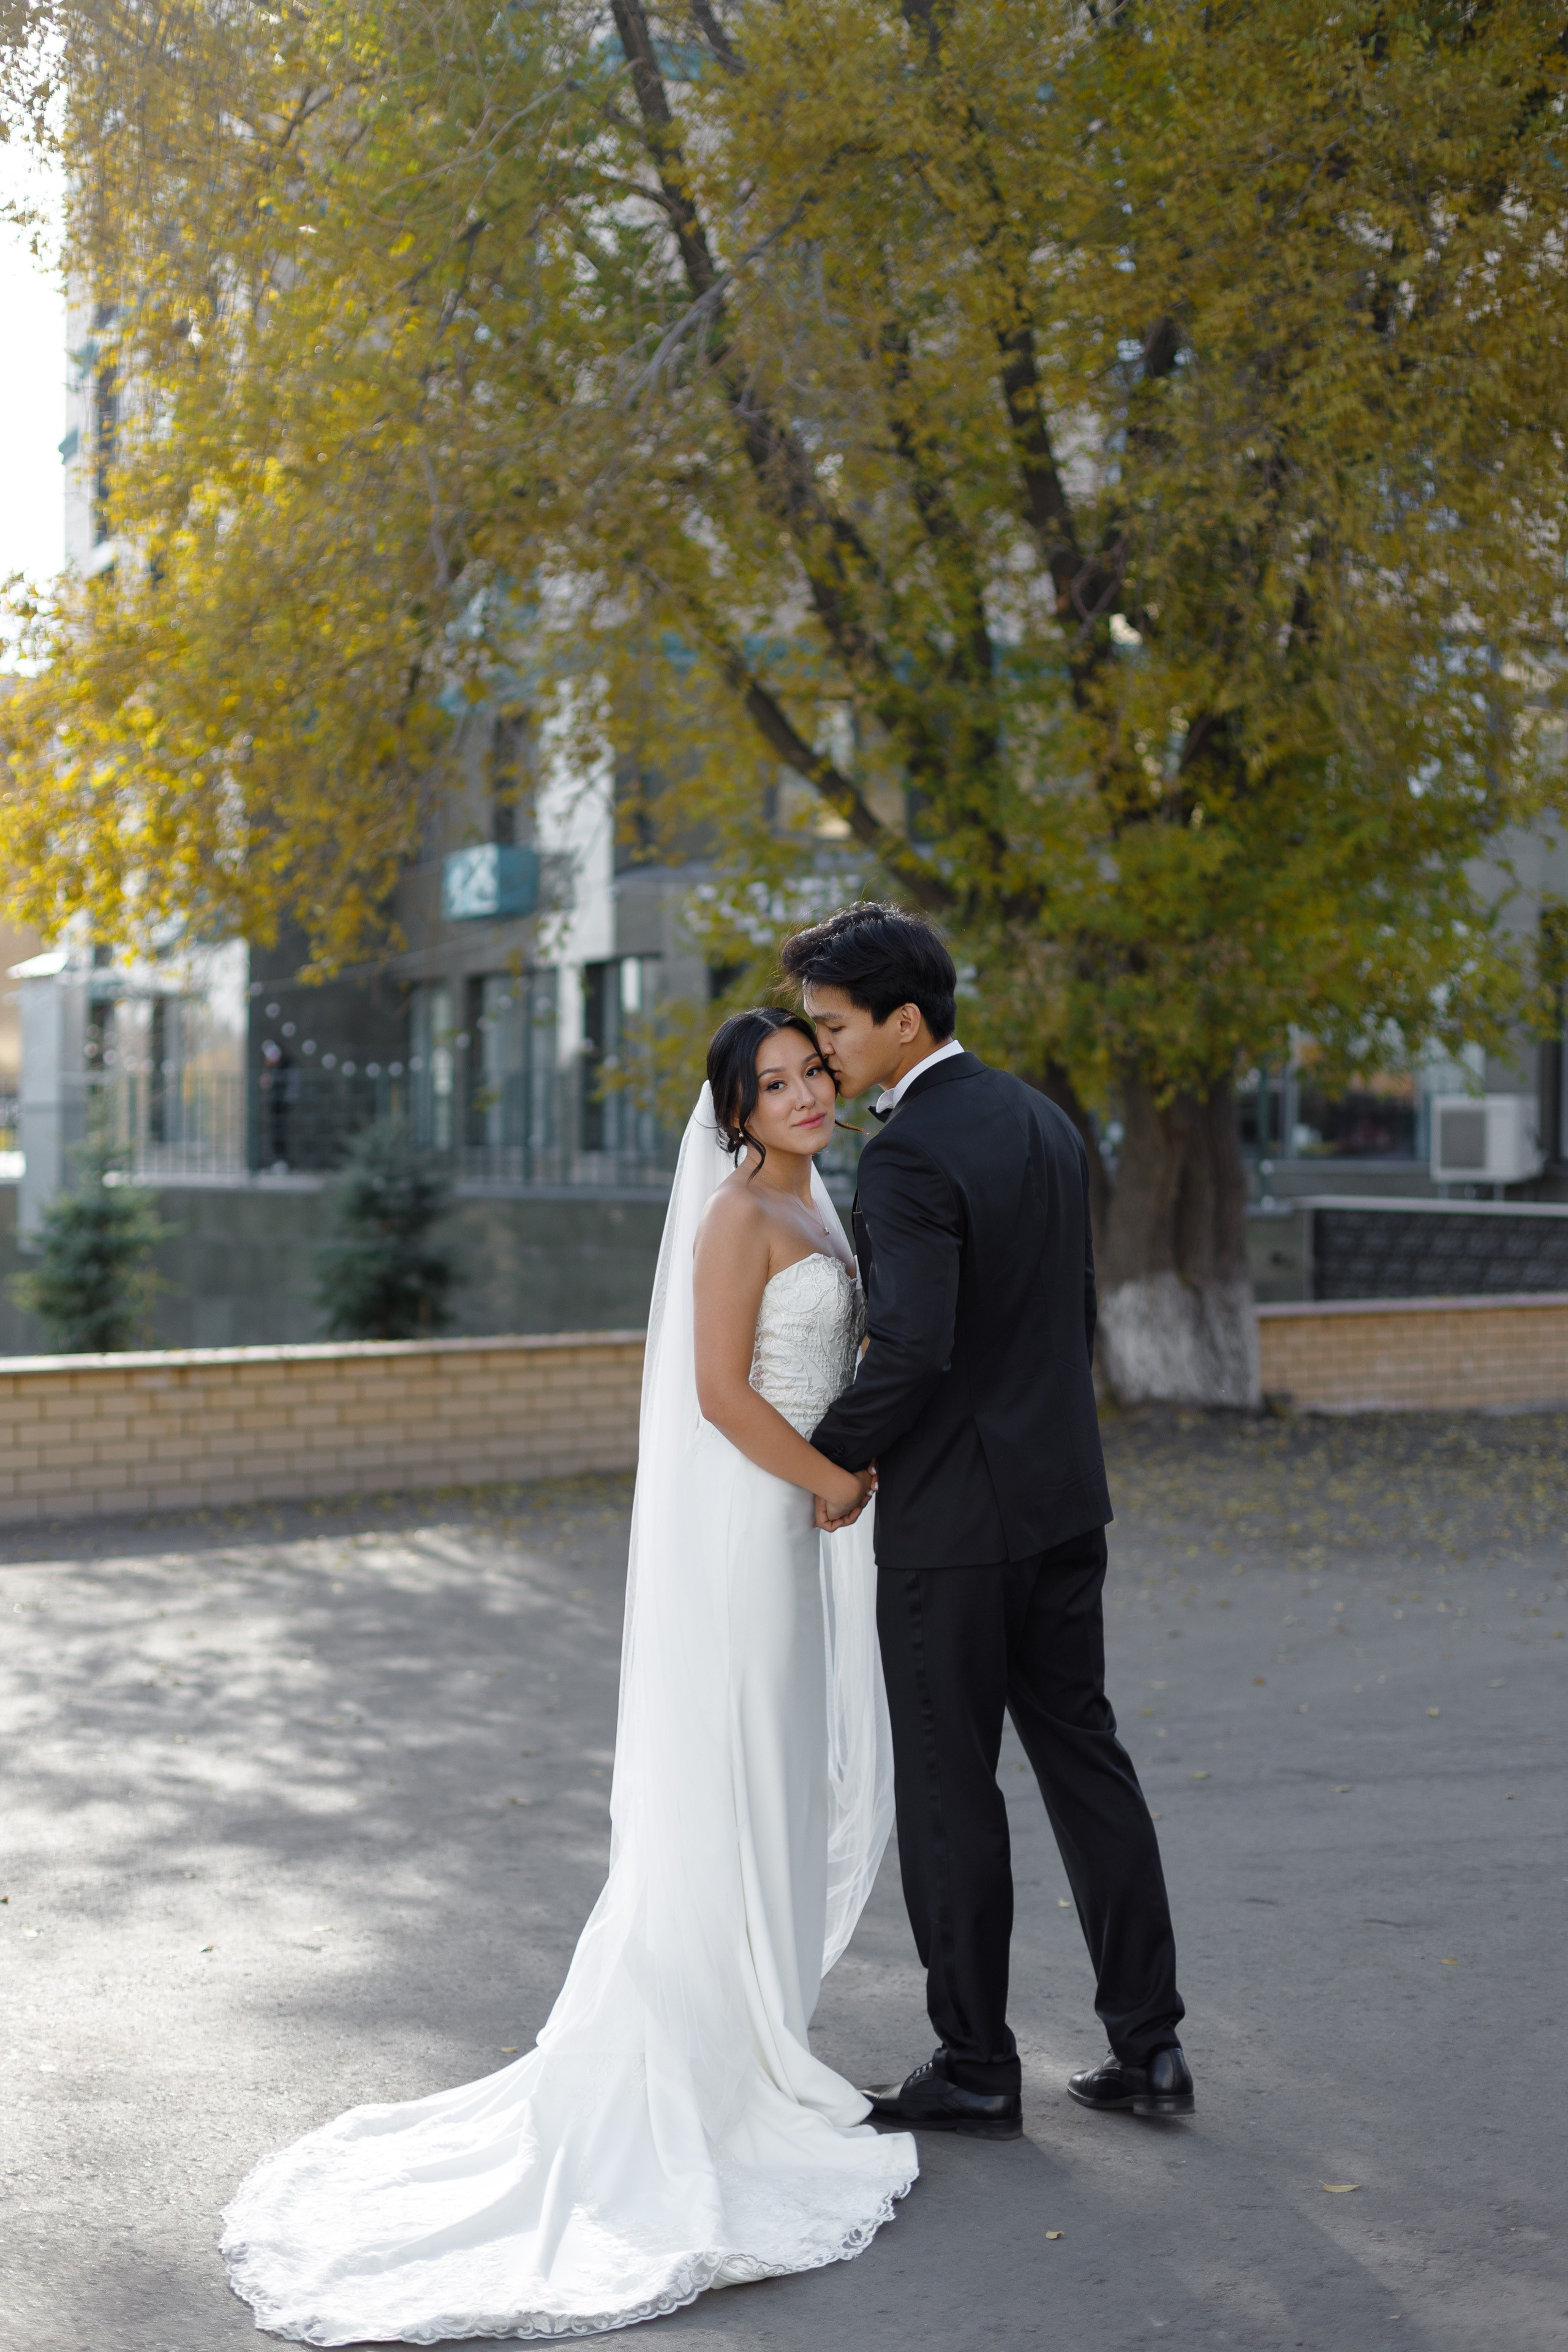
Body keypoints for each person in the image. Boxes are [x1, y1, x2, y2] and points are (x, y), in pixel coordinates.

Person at [220, 1008, 916, 2343]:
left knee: (779, 1775)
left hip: (799, 1521)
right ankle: (717, 2067)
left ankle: (762, 2039)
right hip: (746, 1527)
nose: (805, 1093)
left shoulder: (816, 1200)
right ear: (732, 1113)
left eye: (812, 1072)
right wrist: (835, 1478)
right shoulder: (733, 1221)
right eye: (773, 1084)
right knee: (742, 1770)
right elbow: (719, 1394)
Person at [783, 902, 1193, 2136]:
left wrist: (823, 1461)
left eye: (832, 1029)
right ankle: (1151, 2049)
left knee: (952, 1789)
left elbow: (910, 1349)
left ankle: (975, 2064)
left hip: (954, 1525)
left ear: (901, 1024)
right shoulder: (1041, 1120)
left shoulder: (904, 1155)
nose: (820, 1055)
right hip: (1063, 1500)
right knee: (1085, 1761)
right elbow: (1064, 1320)